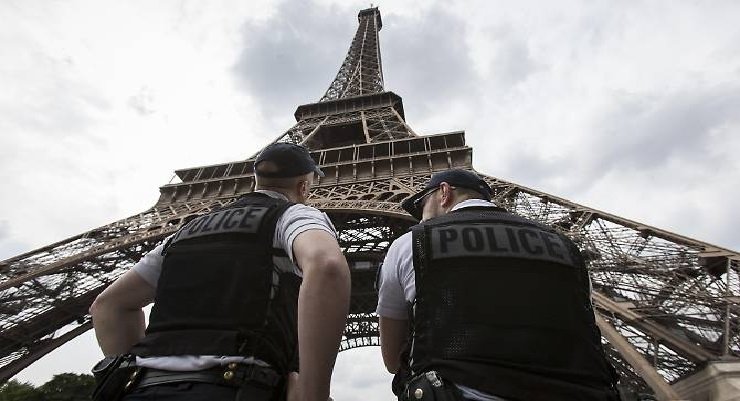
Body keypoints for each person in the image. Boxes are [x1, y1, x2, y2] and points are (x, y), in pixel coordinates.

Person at [90, 142, 351, 401]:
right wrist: (313, 394)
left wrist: (138, 374)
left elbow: (108, 305)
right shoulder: (293, 215)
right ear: (303, 186)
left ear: (255, 180)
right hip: (239, 386)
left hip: (146, 390)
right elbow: (326, 266)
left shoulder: (187, 230)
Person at [376, 169, 619, 401]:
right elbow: (584, 327)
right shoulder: (566, 247)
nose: (420, 216)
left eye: (422, 205)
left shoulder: (411, 243)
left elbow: (393, 359)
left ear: (444, 192)